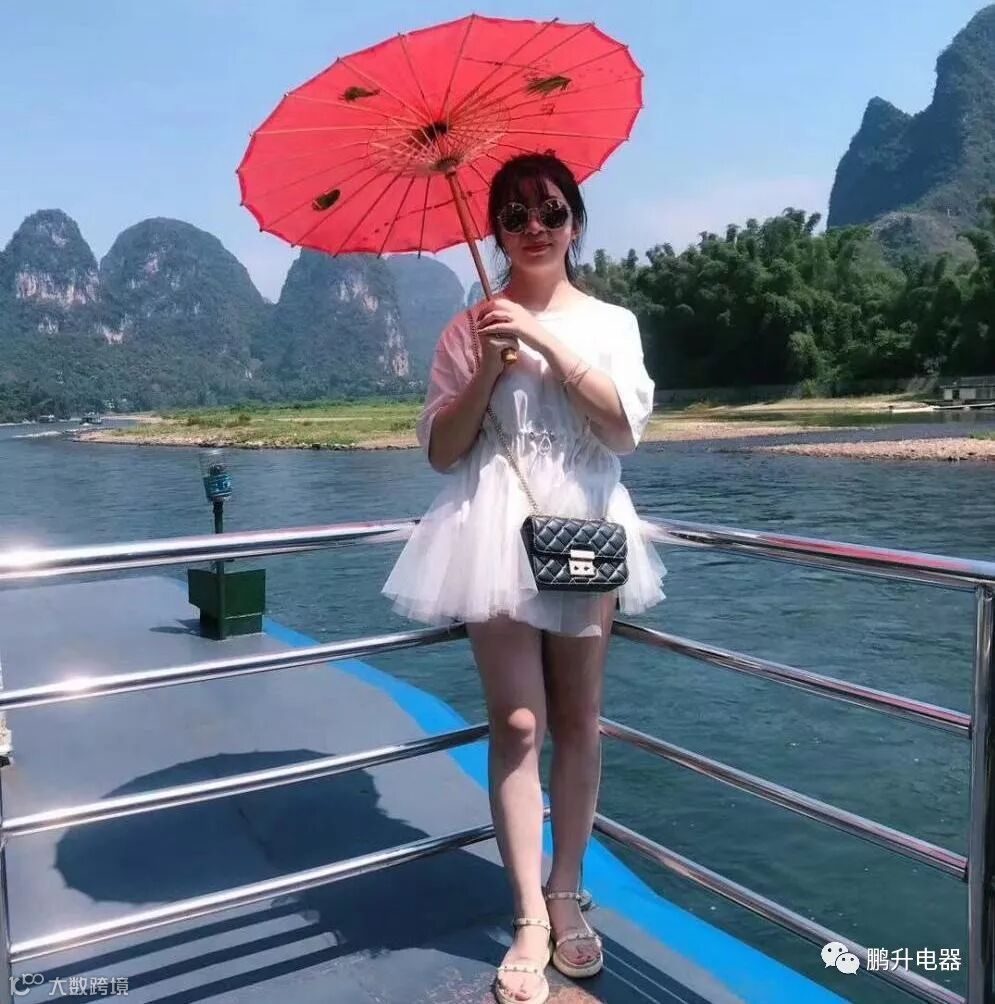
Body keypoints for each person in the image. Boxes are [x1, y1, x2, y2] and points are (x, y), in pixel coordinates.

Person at [382, 152, 666, 1004]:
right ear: (494, 231)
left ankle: (566, 890)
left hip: (583, 533)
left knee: (578, 721)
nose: (533, 227)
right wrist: (487, 368)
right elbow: (441, 452)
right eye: (513, 215)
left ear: (575, 221)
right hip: (492, 533)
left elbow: (622, 432)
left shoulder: (611, 323)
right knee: (515, 725)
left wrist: (543, 340)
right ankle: (528, 914)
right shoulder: (466, 328)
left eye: (549, 211)